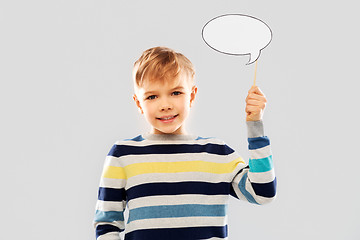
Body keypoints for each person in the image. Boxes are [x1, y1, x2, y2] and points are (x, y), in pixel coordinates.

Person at [93, 46, 276, 240]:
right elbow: (106, 225)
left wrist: (255, 126)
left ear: (192, 95)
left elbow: (262, 193)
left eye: (176, 93)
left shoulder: (217, 154)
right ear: (139, 103)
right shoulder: (123, 155)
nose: (165, 105)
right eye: (152, 96)